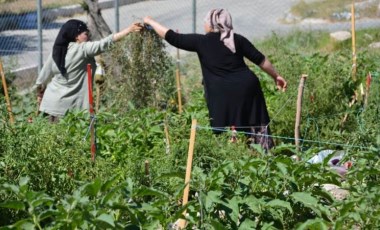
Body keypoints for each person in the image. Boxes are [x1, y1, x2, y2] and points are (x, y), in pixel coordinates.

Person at [143, 9, 287, 150]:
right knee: (256, 124)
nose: (204, 25)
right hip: (248, 88)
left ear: (211, 25)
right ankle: (264, 156)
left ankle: (235, 159)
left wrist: (150, 21)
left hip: (223, 94)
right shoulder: (237, 39)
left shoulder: (201, 41)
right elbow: (261, 60)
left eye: (205, 22)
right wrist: (276, 76)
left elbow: (172, 37)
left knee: (228, 132)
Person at [36, 19, 142, 122]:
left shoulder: (57, 51)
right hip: (68, 111)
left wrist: (40, 95)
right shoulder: (82, 49)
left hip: (49, 106)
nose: (88, 37)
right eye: (86, 34)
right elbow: (104, 43)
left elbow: (41, 80)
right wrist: (129, 30)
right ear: (76, 36)